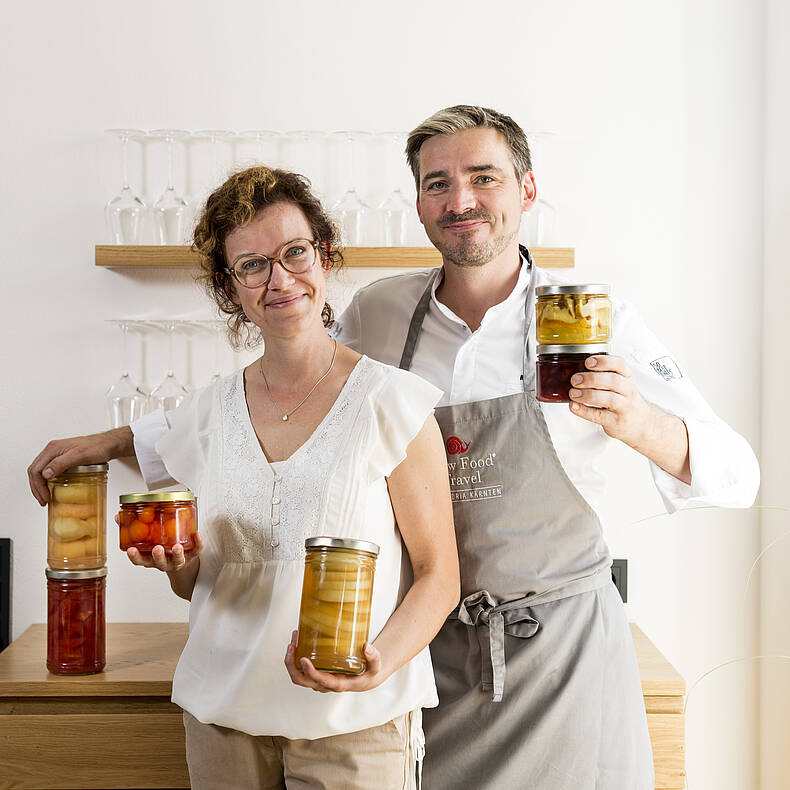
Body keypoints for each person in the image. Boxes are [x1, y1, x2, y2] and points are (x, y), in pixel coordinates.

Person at [327, 106, 760, 788]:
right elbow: (297, 414)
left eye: (483, 177)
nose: (460, 200)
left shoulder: (590, 315)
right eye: (438, 183)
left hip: (565, 661)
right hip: (425, 653)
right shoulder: (377, 315)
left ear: (527, 191)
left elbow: (740, 475)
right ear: (418, 204)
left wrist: (638, 420)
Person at [28, 166, 460, 790]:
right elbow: (203, 583)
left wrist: (379, 665)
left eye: (295, 252)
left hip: (353, 720)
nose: (280, 279)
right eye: (253, 265)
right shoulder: (205, 414)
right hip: (222, 717)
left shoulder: (392, 402)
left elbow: (439, 574)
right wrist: (175, 562)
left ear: (325, 255)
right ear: (231, 290)